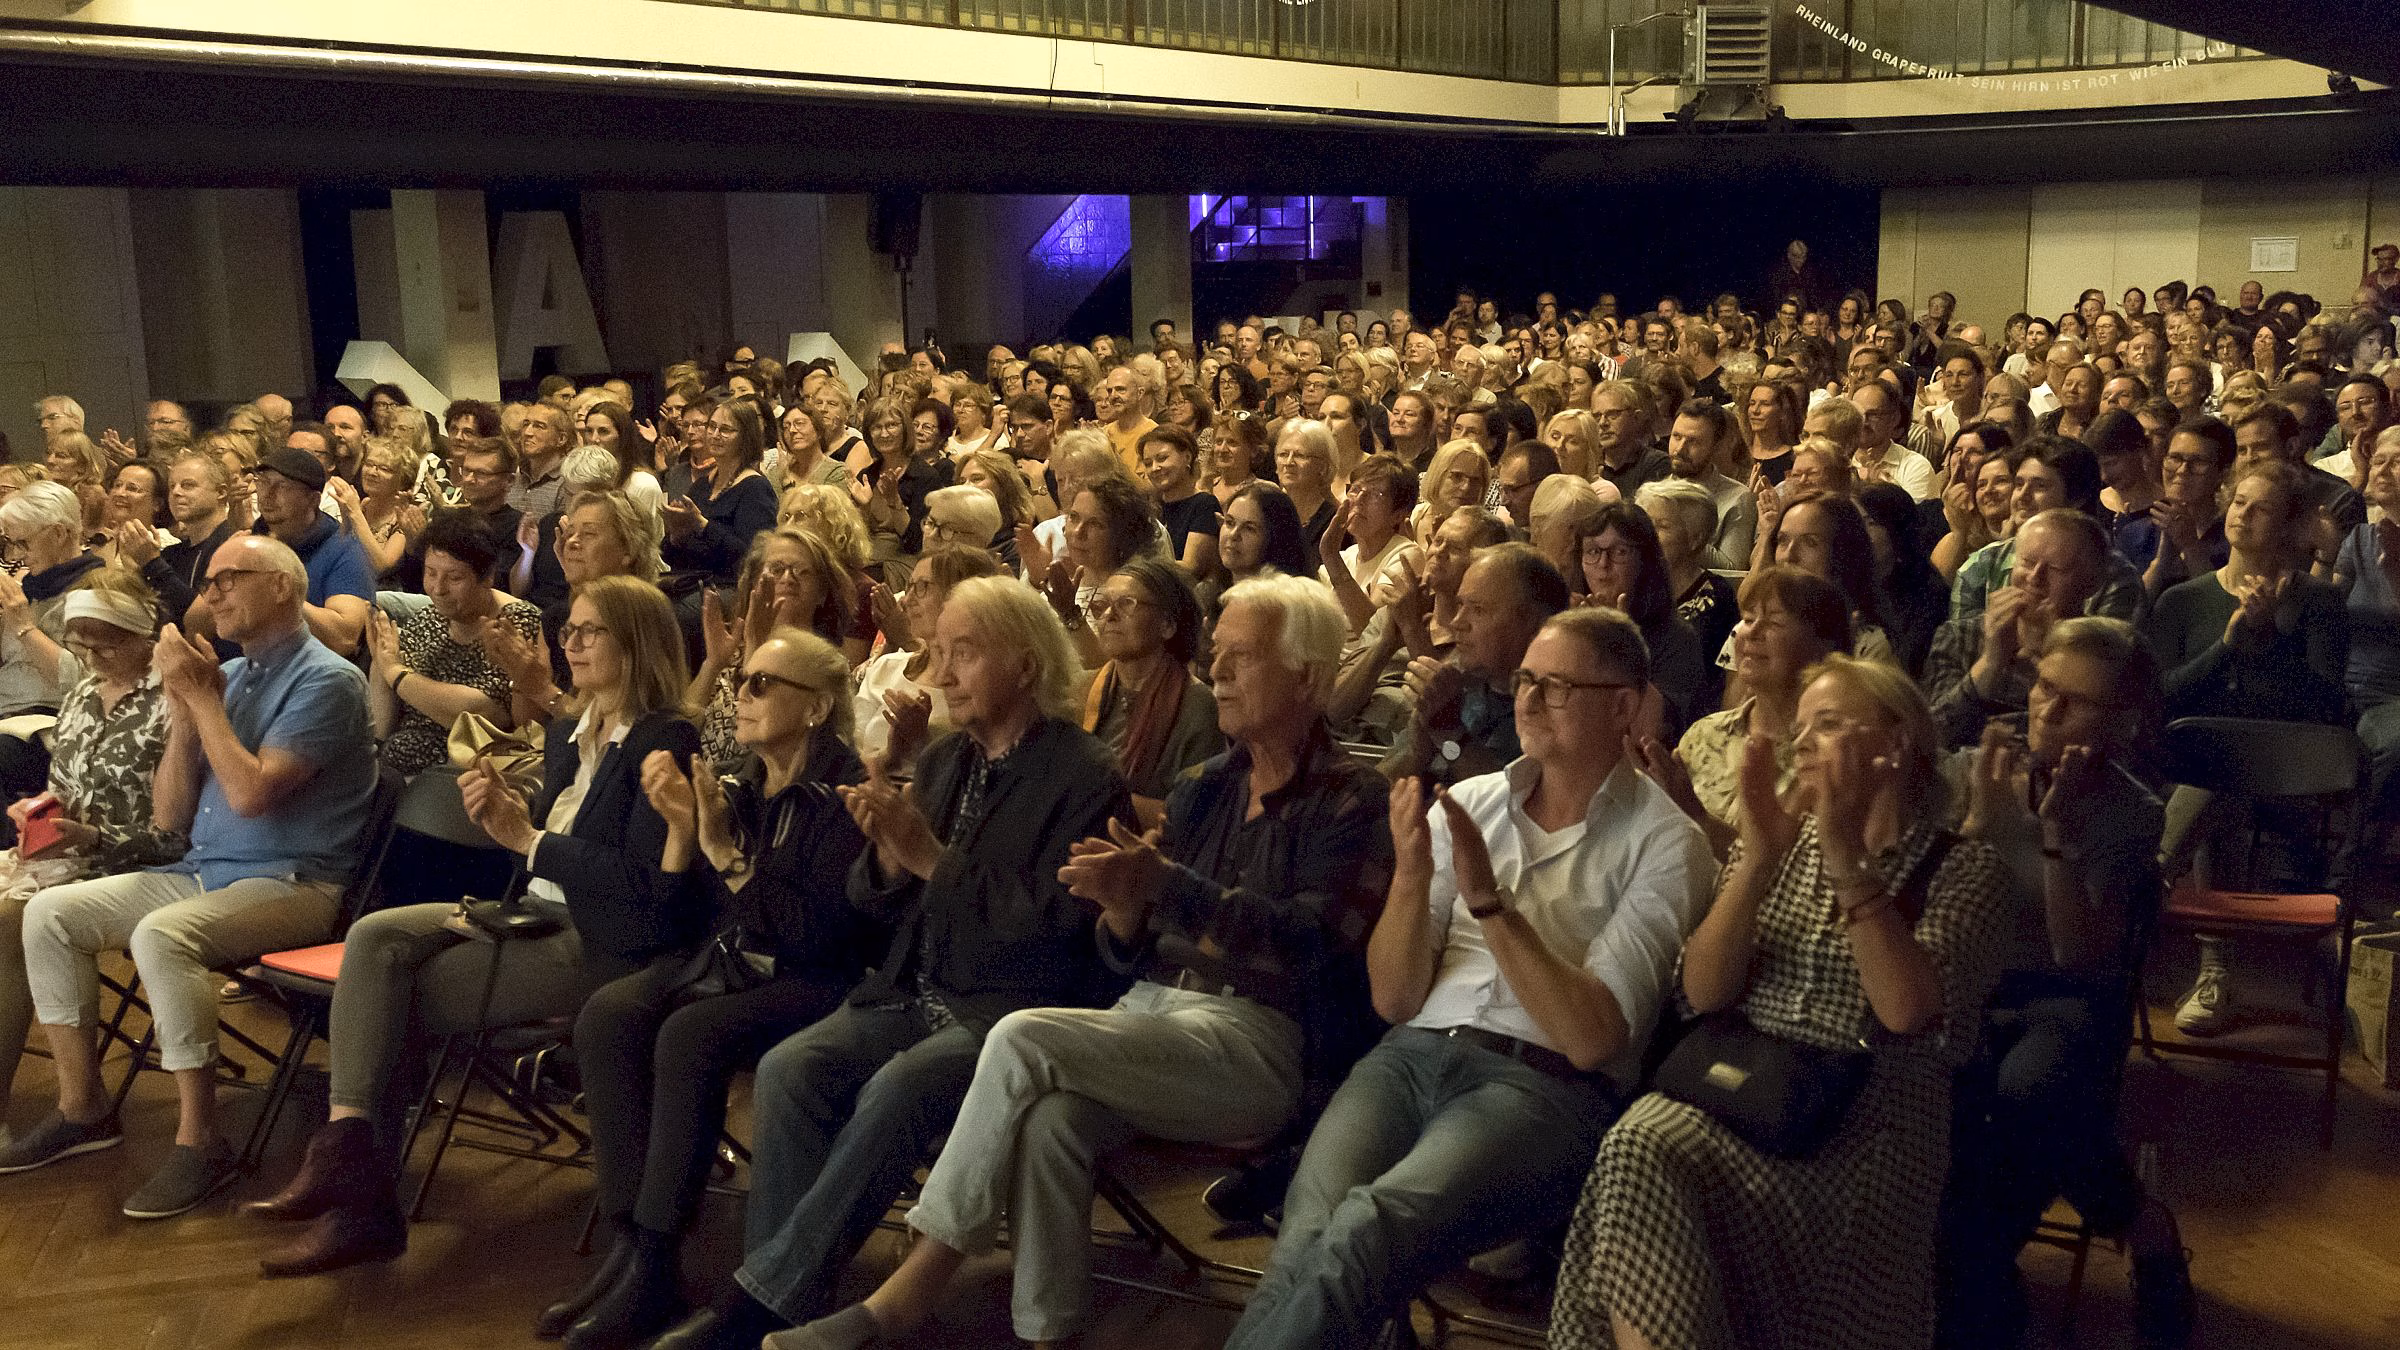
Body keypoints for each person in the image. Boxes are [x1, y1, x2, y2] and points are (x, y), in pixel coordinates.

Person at [788, 576, 1390, 1350]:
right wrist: (1125, 910)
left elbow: (1312, 946)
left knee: (1020, 1035)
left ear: (1306, 676)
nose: (1217, 673)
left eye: (1240, 658)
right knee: (1051, 1123)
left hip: (1261, 1041)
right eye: (1215, 655)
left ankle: (907, 1294)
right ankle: (1050, 1335)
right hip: (1152, 1018)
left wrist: (1168, 888)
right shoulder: (1204, 787)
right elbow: (1127, 953)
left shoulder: (1352, 797)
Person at [650, 578, 1133, 1350]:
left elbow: (1060, 931)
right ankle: (788, 1304)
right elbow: (871, 902)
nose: (942, 674)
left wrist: (930, 859)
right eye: (939, 652)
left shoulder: (1084, 774)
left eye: (963, 654)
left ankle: (757, 1310)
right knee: (791, 1069)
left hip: (1011, 1010)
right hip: (909, 989)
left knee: (897, 1088)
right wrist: (882, 857)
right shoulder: (944, 761)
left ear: (1026, 663)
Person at [1228, 607, 1714, 1350]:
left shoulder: (1668, 842)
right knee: (1308, 1232)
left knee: (1366, 1228)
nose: (1529, 700)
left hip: (1539, 1088)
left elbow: (1593, 1040)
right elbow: (1395, 999)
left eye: (1557, 687)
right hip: (1409, 1057)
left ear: (1623, 705)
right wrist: (1410, 876)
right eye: (1526, 681)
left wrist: (1490, 905)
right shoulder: (1475, 802)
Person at [244, 575, 702, 1276]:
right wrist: (502, 819)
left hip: (599, 938)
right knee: (374, 936)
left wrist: (529, 839)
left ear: (637, 643)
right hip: (535, 912)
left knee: (384, 1001)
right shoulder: (575, 730)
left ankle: (360, 1207)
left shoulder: (664, 737)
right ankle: (348, 1161)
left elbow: (642, 885)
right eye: (569, 630)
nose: (571, 644)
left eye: (591, 632)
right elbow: (540, 848)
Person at [1548, 654, 2010, 1350]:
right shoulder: (1779, 844)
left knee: (1646, 1155)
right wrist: (1759, 859)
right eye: (1800, 729)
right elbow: (1704, 991)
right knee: (1641, 1143)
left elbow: (1906, 1012)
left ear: (1894, 744)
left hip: (1868, 1122)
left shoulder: (1966, 870)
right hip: (1745, 1092)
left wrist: (1846, 855)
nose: (1803, 744)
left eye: (1828, 725)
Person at [3, 535, 375, 1221]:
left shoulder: (328, 680)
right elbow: (171, 816)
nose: (212, 594)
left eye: (230, 578)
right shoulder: (230, 675)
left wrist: (202, 702)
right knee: (50, 915)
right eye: (208, 583)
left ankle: (201, 1142)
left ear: (284, 588)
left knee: (160, 935)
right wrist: (182, 719)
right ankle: (83, 1108)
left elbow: (252, 795)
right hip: (201, 869)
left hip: (294, 883)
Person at [542, 629, 883, 1348]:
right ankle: (629, 1244)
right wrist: (680, 832)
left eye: (762, 684)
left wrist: (725, 854)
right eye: (741, 680)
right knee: (610, 1013)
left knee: (691, 1033)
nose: (741, 696)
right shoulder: (743, 783)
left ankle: (657, 1258)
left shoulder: (844, 796)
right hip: (733, 962)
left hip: (820, 979)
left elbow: (814, 937)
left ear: (816, 708)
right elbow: (687, 915)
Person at [1942, 618, 2193, 1350]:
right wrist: (1978, 824)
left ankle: (1980, 1273)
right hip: (1968, 982)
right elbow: (1931, 905)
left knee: (2028, 1092)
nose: (2046, 711)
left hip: (2065, 999)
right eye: (2044, 687)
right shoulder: (1977, 767)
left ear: (2120, 721)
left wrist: (2051, 832)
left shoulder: (2131, 809)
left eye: (2074, 702)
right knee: (1932, 1079)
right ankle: (2138, 1225)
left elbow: (2076, 956)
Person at [0, 570, 179, 1115]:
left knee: (8, 919)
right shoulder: (82, 694)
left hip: (138, 860)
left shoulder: (174, 700)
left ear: (143, 636)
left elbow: (180, 832)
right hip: (70, 851)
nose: (92, 657)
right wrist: (37, 811)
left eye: (106, 644)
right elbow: (67, 788)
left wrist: (94, 836)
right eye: (81, 644)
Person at [1632, 567, 1853, 861]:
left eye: (1774, 621)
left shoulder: (1827, 755)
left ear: (1822, 646)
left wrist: (1697, 817)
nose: (1751, 632)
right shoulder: (1704, 734)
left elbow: (1797, 873)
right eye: (1748, 619)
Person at [363, 509, 542, 778]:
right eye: (431, 573)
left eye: (454, 578)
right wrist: (383, 664)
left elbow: (484, 714)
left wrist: (397, 674)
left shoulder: (516, 624)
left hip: (464, 772)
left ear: (487, 578)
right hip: (396, 765)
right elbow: (386, 673)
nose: (438, 588)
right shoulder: (429, 617)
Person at [1925, 509, 2113, 748]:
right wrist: (1990, 662)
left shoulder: (2101, 655)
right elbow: (1933, 738)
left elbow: (2100, 742)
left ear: (2091, 583)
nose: (2035, 577)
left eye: (2056, 569)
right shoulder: (1961, 636)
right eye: (2027, 562)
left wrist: (2051, 653)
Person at [1076, 557, 1221, 813]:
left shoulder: (1197, 704)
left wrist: (1097, 801)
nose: (1109, 616)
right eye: (1102, 605)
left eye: (1126, 604)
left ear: (1167, 625)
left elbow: (1197, 814)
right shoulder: (1085, 688)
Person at [209, 445, 373, 658]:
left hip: (306, 669)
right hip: (239, 665)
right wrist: (219, 571)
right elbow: (197, 623)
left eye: (282, 486)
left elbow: (344, 639)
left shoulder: (343, 548)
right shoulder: (250, 540)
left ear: (313, 500)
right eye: (263, 482)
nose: (268, 494)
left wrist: (277, 588)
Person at [850, 547, 1003, 771]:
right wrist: (889, 757)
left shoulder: (983, 684)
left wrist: (922, 741)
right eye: (909, 587)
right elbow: (849, 757)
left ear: (961, 594)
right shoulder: (887, 666)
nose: (906, 600)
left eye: (922, 587)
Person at [1570, 504, 1707, 737]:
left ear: (1644, 560)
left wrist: (1620, 644)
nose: (1603, 564)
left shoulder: (1678, 638)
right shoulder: (1566, 625)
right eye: (1592, 551)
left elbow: (1658, 732)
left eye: (1620, 552)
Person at [664, 399, 779, 586]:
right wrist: (676, 536)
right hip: (692, 583)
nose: (715, 435)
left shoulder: (755, 488)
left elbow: (752, 558)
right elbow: (670, 557)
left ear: (746, 437)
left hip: (731, 587)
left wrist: (702, 524)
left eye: (725, 430)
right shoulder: (702, 486)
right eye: (712, 427)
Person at [1138, 424, 1219, 573]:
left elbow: (1190, 567)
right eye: (1148, 463)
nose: (1154, 468)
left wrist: (1137, 566)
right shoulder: (1149, 506)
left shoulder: (1204, 504)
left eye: (1162, 458)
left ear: (1187, 457)